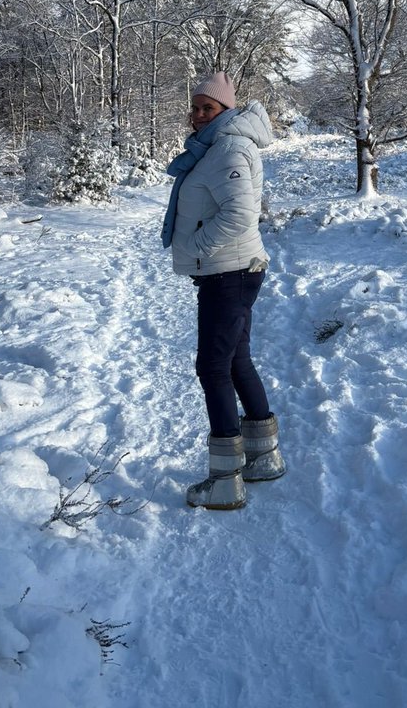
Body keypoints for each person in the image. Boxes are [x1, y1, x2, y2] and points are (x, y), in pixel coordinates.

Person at [161, 71, 285, 509]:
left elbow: (238, 217)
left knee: (212, 367)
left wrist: (190, 245)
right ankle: (263, 457)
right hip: (232, 269)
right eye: (195, 106)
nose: (197, 114)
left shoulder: (230, 146)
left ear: (225, 110)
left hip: (228, 272)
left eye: (207, 107)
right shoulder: (217, 145)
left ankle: (225, 478)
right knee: (235, 360)